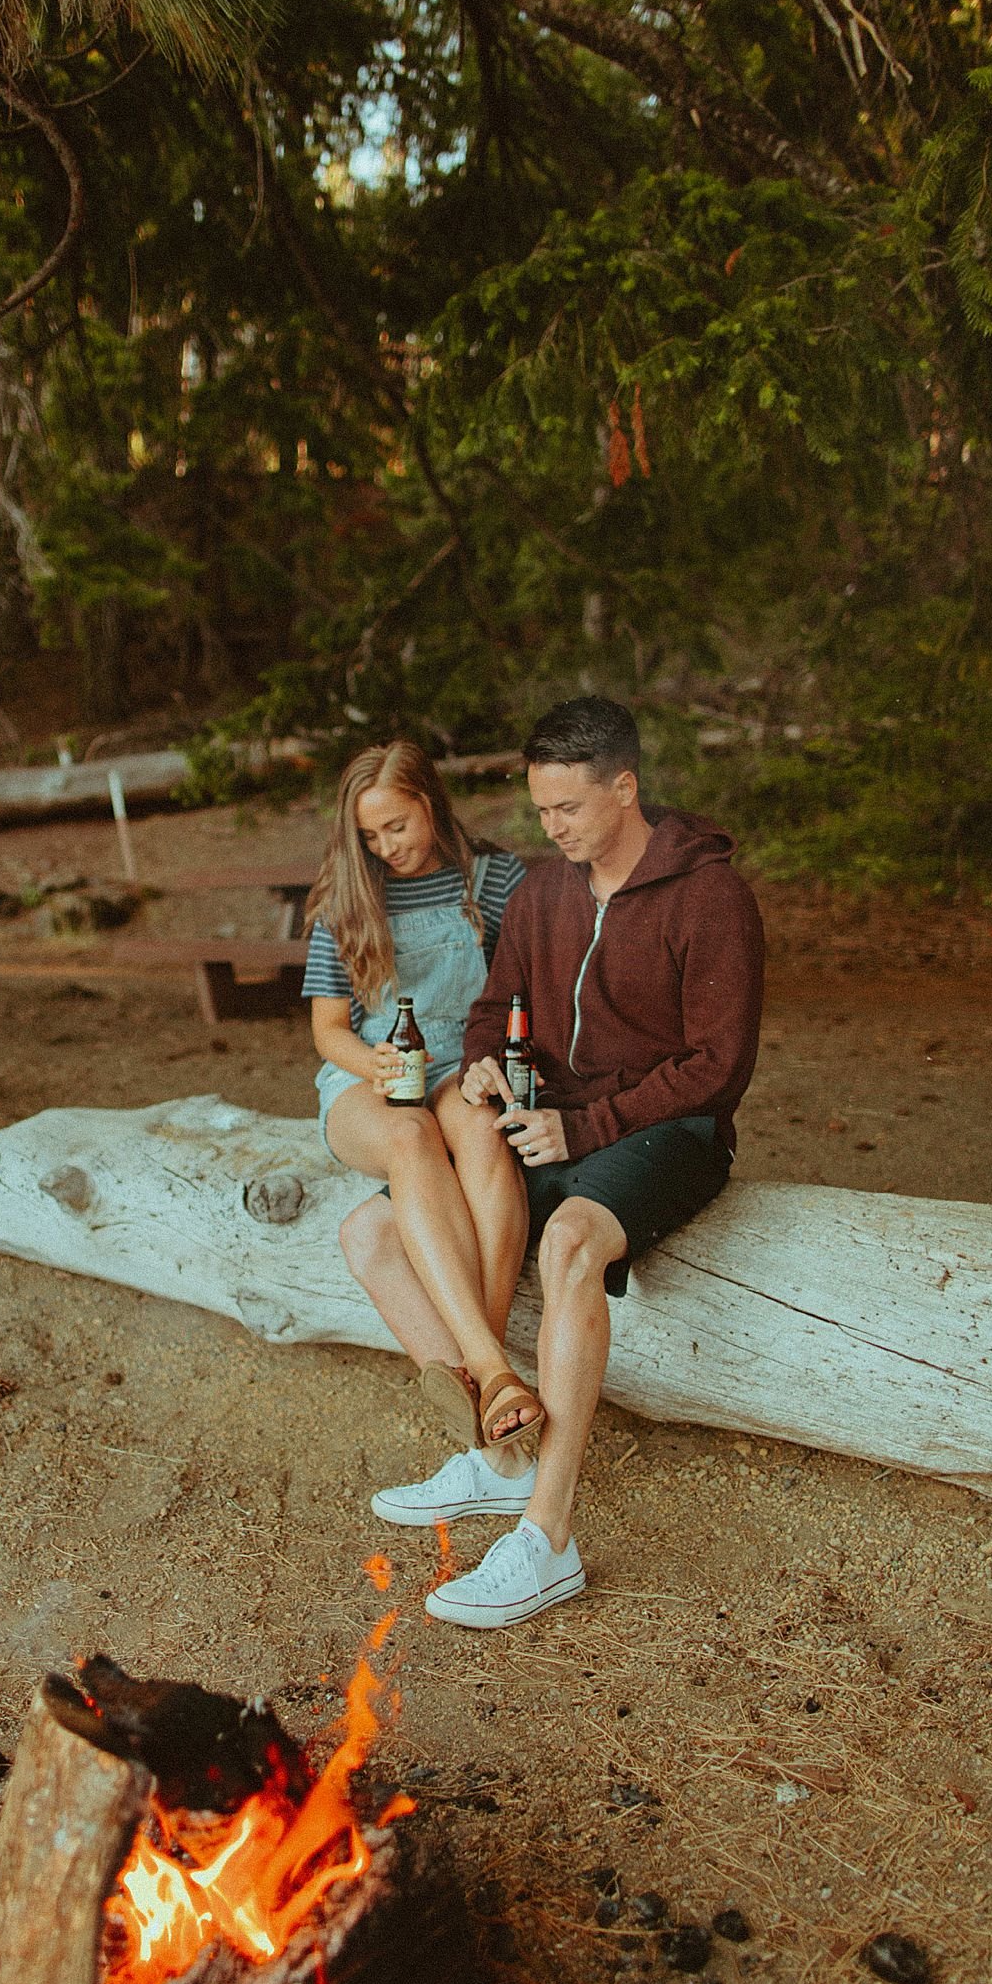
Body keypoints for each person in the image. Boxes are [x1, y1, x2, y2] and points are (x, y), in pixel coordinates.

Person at [353, 696, 765, 1629]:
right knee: (372, 1232)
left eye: (570, 809)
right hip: (549, 1123)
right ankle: (496, 1450)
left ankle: (548, 1533)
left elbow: (719, 1065)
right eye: (541, 811)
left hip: (672, 1131)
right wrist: (488, 1060)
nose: (553, 829)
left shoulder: (709, 895)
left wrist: (590, 1131)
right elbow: (493, 1003)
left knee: (572, 1240)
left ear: (624, 788)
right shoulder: (542, 890)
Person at [303, 740, 542, 1450]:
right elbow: (328, 1030)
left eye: (397, 827)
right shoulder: (344, 896)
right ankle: (495, 1365)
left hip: (463, 1062)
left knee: (478, 1128)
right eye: (370, 836)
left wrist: (488, 1061)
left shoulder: (495, 881)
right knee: (410, 1139)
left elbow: (527, 990)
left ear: (430, 804)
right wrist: (373, 1065)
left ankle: (478, 1367)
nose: (386, 848)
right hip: (367, 1076)